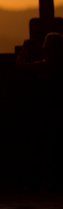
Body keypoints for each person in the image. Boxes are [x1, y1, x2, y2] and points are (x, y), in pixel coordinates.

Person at [16, 32, 63, 192]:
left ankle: (34, 182)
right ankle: (56, 184)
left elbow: (19, 66)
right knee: (57, 149)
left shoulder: (44, 65)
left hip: (45, 111)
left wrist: (24, 50)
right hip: (58, 110)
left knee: (38, 148)